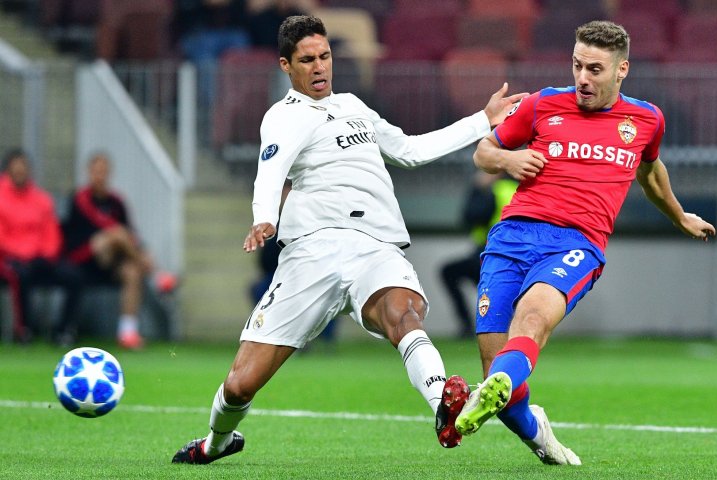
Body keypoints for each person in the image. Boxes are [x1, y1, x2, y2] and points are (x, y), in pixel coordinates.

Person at [171, 14, 527, 464]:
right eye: (307, 60)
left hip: (374, 244)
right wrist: (264, 217)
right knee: (241, 383)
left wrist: (482, 120)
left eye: (325, 56)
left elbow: (410, 151)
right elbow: (271, 172)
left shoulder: (355, 106)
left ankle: (444, 407)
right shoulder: (283, 117)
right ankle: (214, 444)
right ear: (286, 65)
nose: (319, 67)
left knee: (404, 314)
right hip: (313, 252)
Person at [452, 20, 717, 466]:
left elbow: (650, 173)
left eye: (595, 69)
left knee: (532, 318)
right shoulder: (542, 105)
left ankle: (489, 397)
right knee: (501, 385)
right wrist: (509, 158)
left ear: (622, 70)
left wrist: (679, 215)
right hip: (511, 237)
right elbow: (483, 152)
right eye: (577, 65)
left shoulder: (646, 119)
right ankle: (541, 437)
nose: (583, 78)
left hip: (576, 244)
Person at [62, 153, 154, 350]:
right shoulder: (80, 199)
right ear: (89, 172)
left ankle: (127, 332)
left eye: (104, 171)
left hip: (111, 262)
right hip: (83, 257)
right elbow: (108, 228)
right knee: (116, 235)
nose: (100, 176)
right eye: (97, 171)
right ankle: (156, 274)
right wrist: (128, 244)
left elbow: (131, 233)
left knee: (132, 271)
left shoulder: (116, 202)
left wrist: (139, 250)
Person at [0, 149, 84, 344]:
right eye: (16, 167)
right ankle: (24, 330)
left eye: (24, 167)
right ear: (8, 170)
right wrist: (22, 252)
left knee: (74, 275)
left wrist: (47, 253)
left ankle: (64, 330)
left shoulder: (41, 199)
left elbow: (51, 232)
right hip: (10, 258)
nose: (20, 171)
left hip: (40, 257)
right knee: (19, 275)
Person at [440, 171, 517, 338]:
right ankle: (499, 323)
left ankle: (468, 326)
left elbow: (472, 216)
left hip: (493, 253)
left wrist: (478, 189)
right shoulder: (515, 188)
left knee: (450, 272)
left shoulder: (493, 190)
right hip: (513, 255)